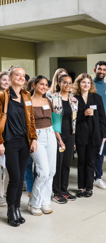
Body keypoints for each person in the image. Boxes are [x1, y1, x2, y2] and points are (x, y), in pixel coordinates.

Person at [0, 66, 37, 227]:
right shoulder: (3, 95)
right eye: (17, 75)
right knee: (14, 178)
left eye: (23, 75)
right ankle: (10, 210)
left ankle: (17, 209)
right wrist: (0, 142)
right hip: (9, 142)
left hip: (24, 141)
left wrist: (34, 139)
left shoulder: (26, 95)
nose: (21, 77)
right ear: (10, 77)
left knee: (20, 177)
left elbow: (31, 119)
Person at [73, 73, 106, 197]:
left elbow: (102, 117)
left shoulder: (96, 98)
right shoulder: (74, 98)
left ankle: (89, 188)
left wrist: (104, 134)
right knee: (81, 161)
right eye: (83, 82)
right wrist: (84, 114)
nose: (86, 85)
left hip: (94, 135)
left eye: (88, 82)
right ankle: (81, 187)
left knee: (90, 162)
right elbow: (72, 118)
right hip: (80, 135)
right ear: (79, 84)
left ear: (91, 84)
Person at [28, 75, 57, 216]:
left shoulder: (48, 100)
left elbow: (54, 120)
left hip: (50, 134)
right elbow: (27, 123)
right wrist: (32, 138)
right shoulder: (28, 101)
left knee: (51, 172)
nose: (44, 87)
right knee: (43, 172)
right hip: (36, 137)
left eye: (46, 85)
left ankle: (45, 202)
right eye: (41, 84)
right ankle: (34, 203)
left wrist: (59, 138)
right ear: (34, 85)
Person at [50, 75, 78, 204]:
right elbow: (54, 121)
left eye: (70, 83)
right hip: (58, 136)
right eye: (65, 82)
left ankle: (64, 190)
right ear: (59, 83)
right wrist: (59, 139)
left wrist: (74, 139)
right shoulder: (53, 98)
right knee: (58, 164)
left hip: (70, 135)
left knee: (67, 164)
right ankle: (56, 192)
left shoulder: (74, 100)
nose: (67, 85)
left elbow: (74, 121)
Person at [93, 61, 106, 190]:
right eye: (100, 69)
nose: (102, 72)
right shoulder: (89, 84)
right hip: (89, 122)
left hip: (103, 123)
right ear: (95, 69)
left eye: (104, 70)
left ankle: (98, 177)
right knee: (89, 151)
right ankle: (88, 176)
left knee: (100, 152)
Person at [24, 77, 37, 198]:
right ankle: (29, 188)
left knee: (38, 165)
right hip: (27, 135)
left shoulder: (45, 99)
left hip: (40, 135)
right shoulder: (25, 97)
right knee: (28, 164)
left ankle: (36, 188)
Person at [0, 71, 10, 206]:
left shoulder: (12, 96)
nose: (6, 82)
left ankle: (5, 193)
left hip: (11, 138)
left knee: (9, 168)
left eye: (8, 80)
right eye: (3, 80)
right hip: (1, 137)